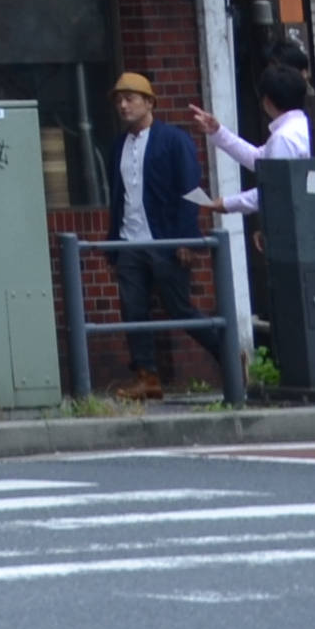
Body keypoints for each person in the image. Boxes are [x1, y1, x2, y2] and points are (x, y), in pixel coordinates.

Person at [103, 75, 214, 396]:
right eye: (119, 100)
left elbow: (191, 189)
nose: (123, 105)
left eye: (131, 98)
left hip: (165, 240)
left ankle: (230, 357)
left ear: (150, 102)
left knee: (180, 308)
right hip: (128, 240)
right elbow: (117, 194)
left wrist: (186, 238)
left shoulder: (173, 140)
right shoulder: (118, 145)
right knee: (133, 310)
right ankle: (146, 376)